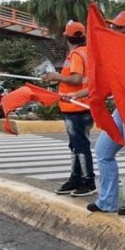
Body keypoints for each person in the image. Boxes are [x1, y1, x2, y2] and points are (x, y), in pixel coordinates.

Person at [67, 11, 125, 217]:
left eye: (116, 27)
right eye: (111, 26)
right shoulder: (116, 54)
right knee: (103, 151)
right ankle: (107, 201)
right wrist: (81, 93)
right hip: (121, 110)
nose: (111, 30)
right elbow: (106, 84)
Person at [41, 21, 95, 197]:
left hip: (76, 107)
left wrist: (57, 76)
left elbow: (76, 79)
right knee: (76, 146)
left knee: (79, 146)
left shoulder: (76, 55)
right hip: (83, 106)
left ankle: (87, 181)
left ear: (66, 37)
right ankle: (76, 179)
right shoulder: (87, 53)